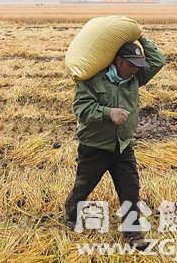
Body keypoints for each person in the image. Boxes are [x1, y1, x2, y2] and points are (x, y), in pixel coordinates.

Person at [65, 34, 165, 250]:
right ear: (119, 61)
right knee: (84, 187)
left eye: (139, 66)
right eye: (132, 64)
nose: (137, 69)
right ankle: (71, 215)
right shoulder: (92, 79)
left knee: (130, 189)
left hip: (122, 145)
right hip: (95, 146)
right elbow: (81, 109)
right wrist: (108, 112)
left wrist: (142, 38)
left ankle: (133, 234)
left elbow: (158, 62)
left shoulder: (135, 78)